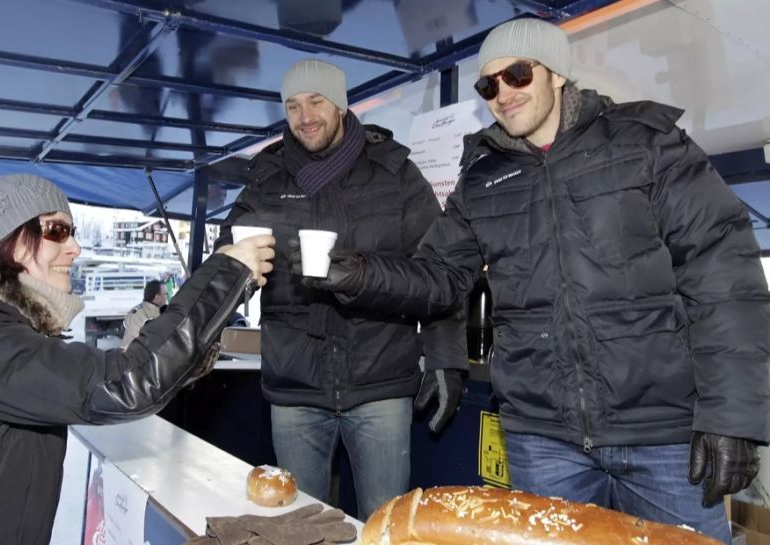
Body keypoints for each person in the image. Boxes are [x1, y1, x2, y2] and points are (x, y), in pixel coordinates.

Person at [300, 19, 769, 544]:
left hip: (661, 432)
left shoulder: (647, 145)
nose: (502, 93)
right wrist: (358, 273)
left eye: (517, 74)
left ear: (558, 74)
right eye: (488, 84)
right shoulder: (481, 179)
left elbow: (724, 276)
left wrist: (733, 416)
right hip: (542, 439)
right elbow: (438, 275)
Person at [0, 174, 274, 545]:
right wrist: (225, 274)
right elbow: (128, 384)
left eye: (73, 231)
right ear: (5, 241)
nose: (75, 247)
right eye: (57, 231)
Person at [215, 59, 467, 521]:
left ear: (342, 104)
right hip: (294, 385)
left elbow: (439, 272)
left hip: (380, 382)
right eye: (292, 106)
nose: (304, 116)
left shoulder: (395, 172)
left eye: (316, 101)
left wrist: (447, 355)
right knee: (297, 524)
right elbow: (225, 258)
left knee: (382, 523)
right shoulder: (266, 177)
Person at [120, 279, 169, 350]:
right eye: (165, 294)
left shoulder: (155, 312)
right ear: (157, 297)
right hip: (132, 356)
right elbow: (133, 342)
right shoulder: (137, 315)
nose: (167, 297)